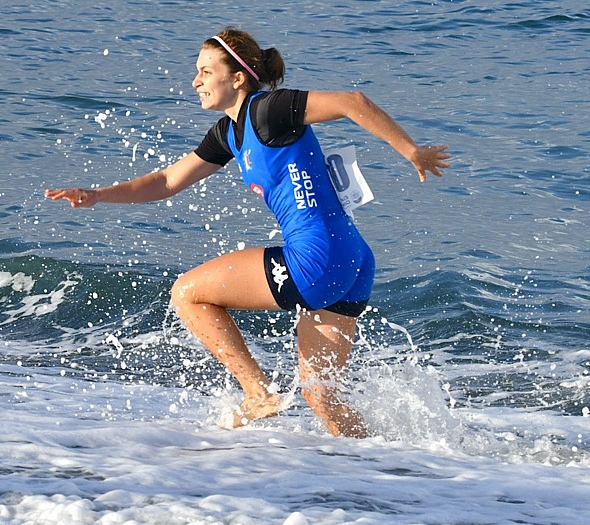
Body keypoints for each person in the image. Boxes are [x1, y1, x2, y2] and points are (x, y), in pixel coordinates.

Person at [45, 27, 450, 437]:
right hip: (353, 261)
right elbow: (167, 181)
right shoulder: (228, 133)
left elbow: (352, 102)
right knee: (322, 398)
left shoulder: (270, 110)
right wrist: (98, 195)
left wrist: (411, 151)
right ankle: (387, 465)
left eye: (206, 71)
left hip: (316, 260)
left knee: (187, 293)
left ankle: (257, 393)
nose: (196, 81)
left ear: (237, 77)